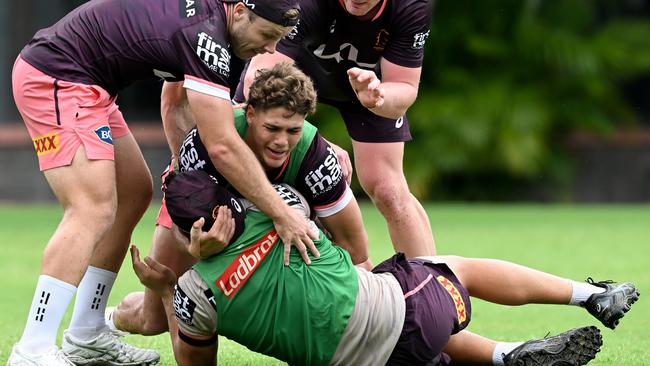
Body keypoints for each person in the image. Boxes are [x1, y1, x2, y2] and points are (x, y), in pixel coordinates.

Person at [8, 1, 315, 365]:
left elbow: (175, 100)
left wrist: (184, 167)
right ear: (238, 11)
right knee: (92, 208)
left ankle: (86, 332)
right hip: (57, 76)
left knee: (134, 191)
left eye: (278, 39)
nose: (270, 49)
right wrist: (283, 213)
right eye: (267, 35)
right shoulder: (205, 34)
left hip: (94, 86)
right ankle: (32, 349)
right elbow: (221, 145)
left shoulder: (230, 39)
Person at [134, 170, 639, 365]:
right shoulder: (277, 208)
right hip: (408, 315)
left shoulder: (192, 296)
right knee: (445, 267)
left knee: (432, 356)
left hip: (368, 364)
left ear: (181, 232)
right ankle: (588, 296)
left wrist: (163, 287)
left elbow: (194, 362)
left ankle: (508, 356)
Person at [110, 62, 372, 336]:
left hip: (284, 226)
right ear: (249, 114)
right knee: (154, 321)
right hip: (207, 212)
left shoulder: (316, 160)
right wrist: (195, 249)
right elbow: (181, 226)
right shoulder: (202, 146)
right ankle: (112, 319)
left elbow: (357, 255)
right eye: (272, 128)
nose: (282, 141)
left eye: (293, 130)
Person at [238, 0, 437, 258]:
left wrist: (379, 97)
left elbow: (405, 88)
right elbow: (260, 78)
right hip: (290, 81)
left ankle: (433, 287)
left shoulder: (411, 5)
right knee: (237, 166)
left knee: (389, 189)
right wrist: (318, 146)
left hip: (367, 85)